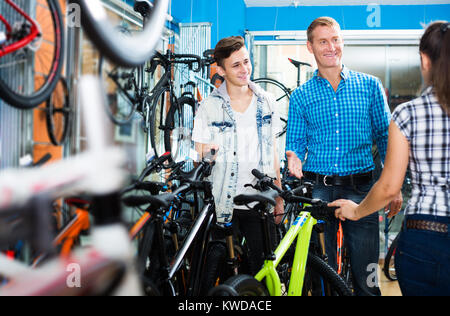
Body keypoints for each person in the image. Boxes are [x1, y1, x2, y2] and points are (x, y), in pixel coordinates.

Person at [330, 21, 450, 296]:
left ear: (425, 60)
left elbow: (389, 187)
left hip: (425, 236)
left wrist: (357, 210)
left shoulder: (409, 114)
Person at [285, 16, 403, 296]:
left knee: (367, 276)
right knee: (320, 274)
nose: (331, 46)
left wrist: (393, 186)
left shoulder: (370, 86)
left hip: (362, 190)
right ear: (310, 47)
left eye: (335, 39)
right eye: (323, 41)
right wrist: (293, 158)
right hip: (317, 191)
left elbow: (387, 138)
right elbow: (295, 143)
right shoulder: (301, 96)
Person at [192, 36, 284, 275]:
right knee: (223, 274)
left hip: (260, 201)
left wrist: (279, 194)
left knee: (264, 273)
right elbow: (200, 155)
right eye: (236, 65)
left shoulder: (267, 101)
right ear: (220, 70)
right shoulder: (209, 107)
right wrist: (208, 153)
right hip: (224, 203)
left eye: (246, 61)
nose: (245, 69)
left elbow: (273, 152)